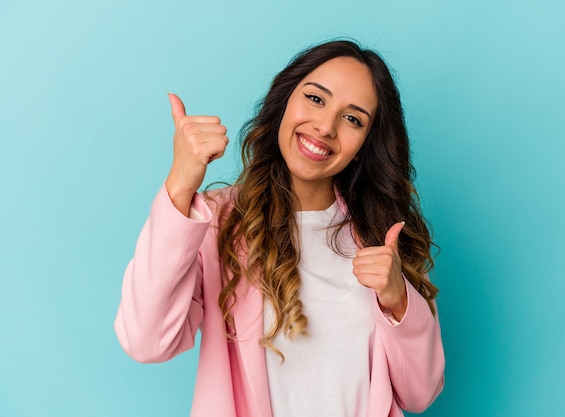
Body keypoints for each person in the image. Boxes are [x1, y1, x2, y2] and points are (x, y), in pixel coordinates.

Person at [114, 40, 445, 417]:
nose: (325, 126)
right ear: (284, 99)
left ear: (366, 143)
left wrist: (398, 299)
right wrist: (179, 185)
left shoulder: (383, 239)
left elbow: (420, 395)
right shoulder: (217, 225)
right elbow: (145, 341)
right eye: (316, 99)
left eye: (353, 119)